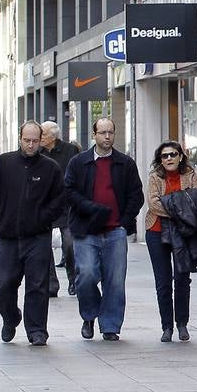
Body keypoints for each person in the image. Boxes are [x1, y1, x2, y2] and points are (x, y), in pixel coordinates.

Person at [0, 121, 66, 346]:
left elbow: (59, 199)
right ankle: (10, 318)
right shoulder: (3, 163)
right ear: (20, 138)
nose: (31, 145)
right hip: (8, 236)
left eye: (35, 141)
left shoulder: (50, 168)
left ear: (42, 140)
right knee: (6, 284)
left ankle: (37, 330)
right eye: (27, 140)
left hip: (37, 237)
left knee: (37, 285)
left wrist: (43, 219)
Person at [64, 118, 144, 342]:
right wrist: (90, 209)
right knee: (87, 274)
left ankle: (110, 325)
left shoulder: (125, 163)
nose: (107, 137)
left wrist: (124, 221)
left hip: (115, 231)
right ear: (94, 134)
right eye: (102, 132)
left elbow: (136, 195)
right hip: (86, 229)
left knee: (115, 280)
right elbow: (69, 191)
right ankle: (89, 315)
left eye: (110, 132)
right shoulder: (79, 162)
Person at [145, 141, 197, 343]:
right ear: (160, 159)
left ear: (180, 156)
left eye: (172, 154)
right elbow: (154, 205)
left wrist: (171, 203)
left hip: (183, 233)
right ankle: (166, 327)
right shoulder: (154, 177)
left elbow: (196, 201)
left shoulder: (191, 175)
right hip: (156, 231)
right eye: (164, 156)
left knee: (182, 279)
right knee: (163, 282)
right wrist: (180, 208)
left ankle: (182, 324)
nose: (168, 158)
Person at [41, 121, 82, 295]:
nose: (40, 137)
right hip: (44, 204)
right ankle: (51, 284)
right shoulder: (38, 152)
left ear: (53, 136)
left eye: (43, 134)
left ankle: (73, 280)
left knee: (70, 244)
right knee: (43, 246)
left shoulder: (69, 151)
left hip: (67, 206)